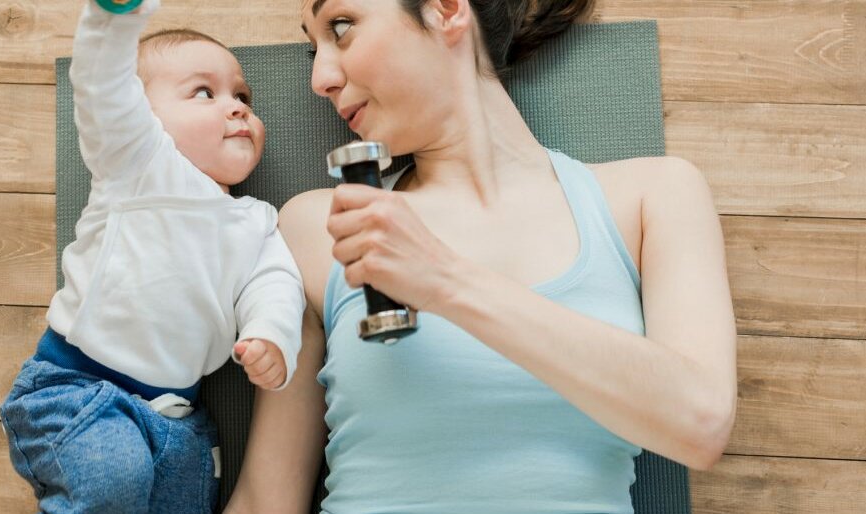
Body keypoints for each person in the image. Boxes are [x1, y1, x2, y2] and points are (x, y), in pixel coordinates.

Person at [225, 0, 737, 512]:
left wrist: (445, 282)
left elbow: (700, 426)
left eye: (341, 27)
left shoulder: (652, 196)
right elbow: (265, 500)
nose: (320, 77)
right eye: (314, 49)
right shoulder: (319, 227)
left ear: (446, 11)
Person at [0, 0, 305, 512]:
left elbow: (276, 284)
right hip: (81, 390)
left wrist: (271, 334)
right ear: (145, 114)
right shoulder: (139, 162)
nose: (238, 107)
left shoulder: (258, 221)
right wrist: (113, 17)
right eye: (204, 92)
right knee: (113, 480)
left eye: (243, 96)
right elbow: (102, 86)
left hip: (177, 416)